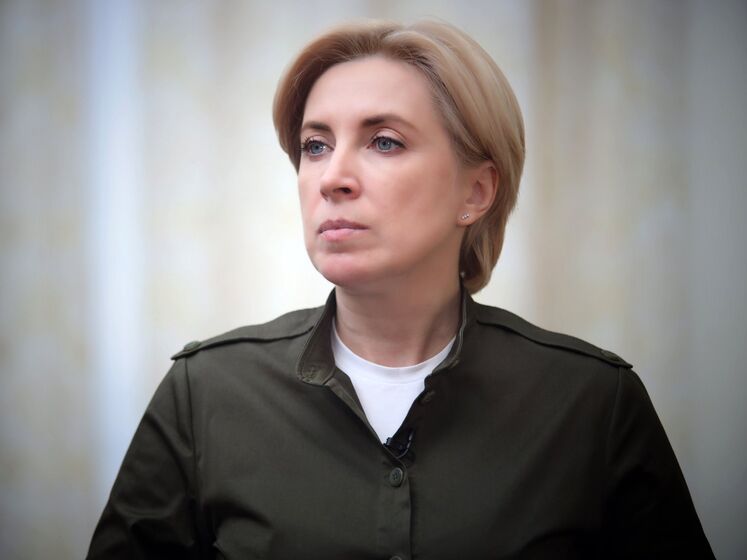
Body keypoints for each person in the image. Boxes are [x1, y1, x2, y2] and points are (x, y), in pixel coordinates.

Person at [87, 20, 714, 559]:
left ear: (476, 191)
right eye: (315, 146)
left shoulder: (593, 404)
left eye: (384, 141)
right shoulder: (204, 394)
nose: (332, 177)